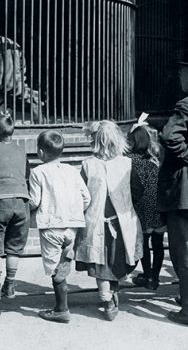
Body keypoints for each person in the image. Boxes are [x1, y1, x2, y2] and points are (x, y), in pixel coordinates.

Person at [74, 120, 143, 321]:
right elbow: (138, 191)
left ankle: (108, 297)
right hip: (121, 224)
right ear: (118, 140)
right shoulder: (127, 164)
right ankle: (109, 298)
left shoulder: (87, 165)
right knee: (116, 262)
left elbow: (81, 194)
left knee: (100, 264)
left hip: (96, 222)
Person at [28, 131, 90, 323]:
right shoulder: (72, 170)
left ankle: (61, 308)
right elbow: (86, 197)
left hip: (50, 225)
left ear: (40, 152)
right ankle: (67, 257)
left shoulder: (37, 172)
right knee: (62, 261)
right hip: (73, 224)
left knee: (54, 268)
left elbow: (34, 201)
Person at [0, 113, 30, 300]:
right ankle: (10, 284)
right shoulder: (21, 151)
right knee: (14, 246)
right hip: (21, 201)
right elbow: (26, 176)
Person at [158, 67, 188, 325]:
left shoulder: (185, 105)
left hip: (184, 192)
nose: (180, 77)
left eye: (183, 73)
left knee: (183, 251)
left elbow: (169, 136)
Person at [126, 116, 165, 291]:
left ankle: (147, 274)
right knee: (158, 244)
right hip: (158, 206)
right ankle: (155, 277)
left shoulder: (130, 160)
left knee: (144, 243)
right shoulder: (156, 158)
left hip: (141, 206)